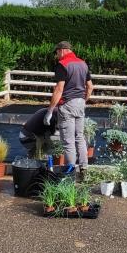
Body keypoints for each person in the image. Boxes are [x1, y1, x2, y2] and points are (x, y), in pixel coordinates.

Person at [46, 41, 94, 171]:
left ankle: (70, 172)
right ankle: (84, 168)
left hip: (67, 105)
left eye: (57, 52)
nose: (57, 56)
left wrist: (50, 110)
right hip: (80, 104)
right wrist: (83, 100)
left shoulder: (62, 65)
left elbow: (59, 89)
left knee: (68, 141)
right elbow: (90, 87)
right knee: (80, 137)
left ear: (62, 50)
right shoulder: (83, 64)